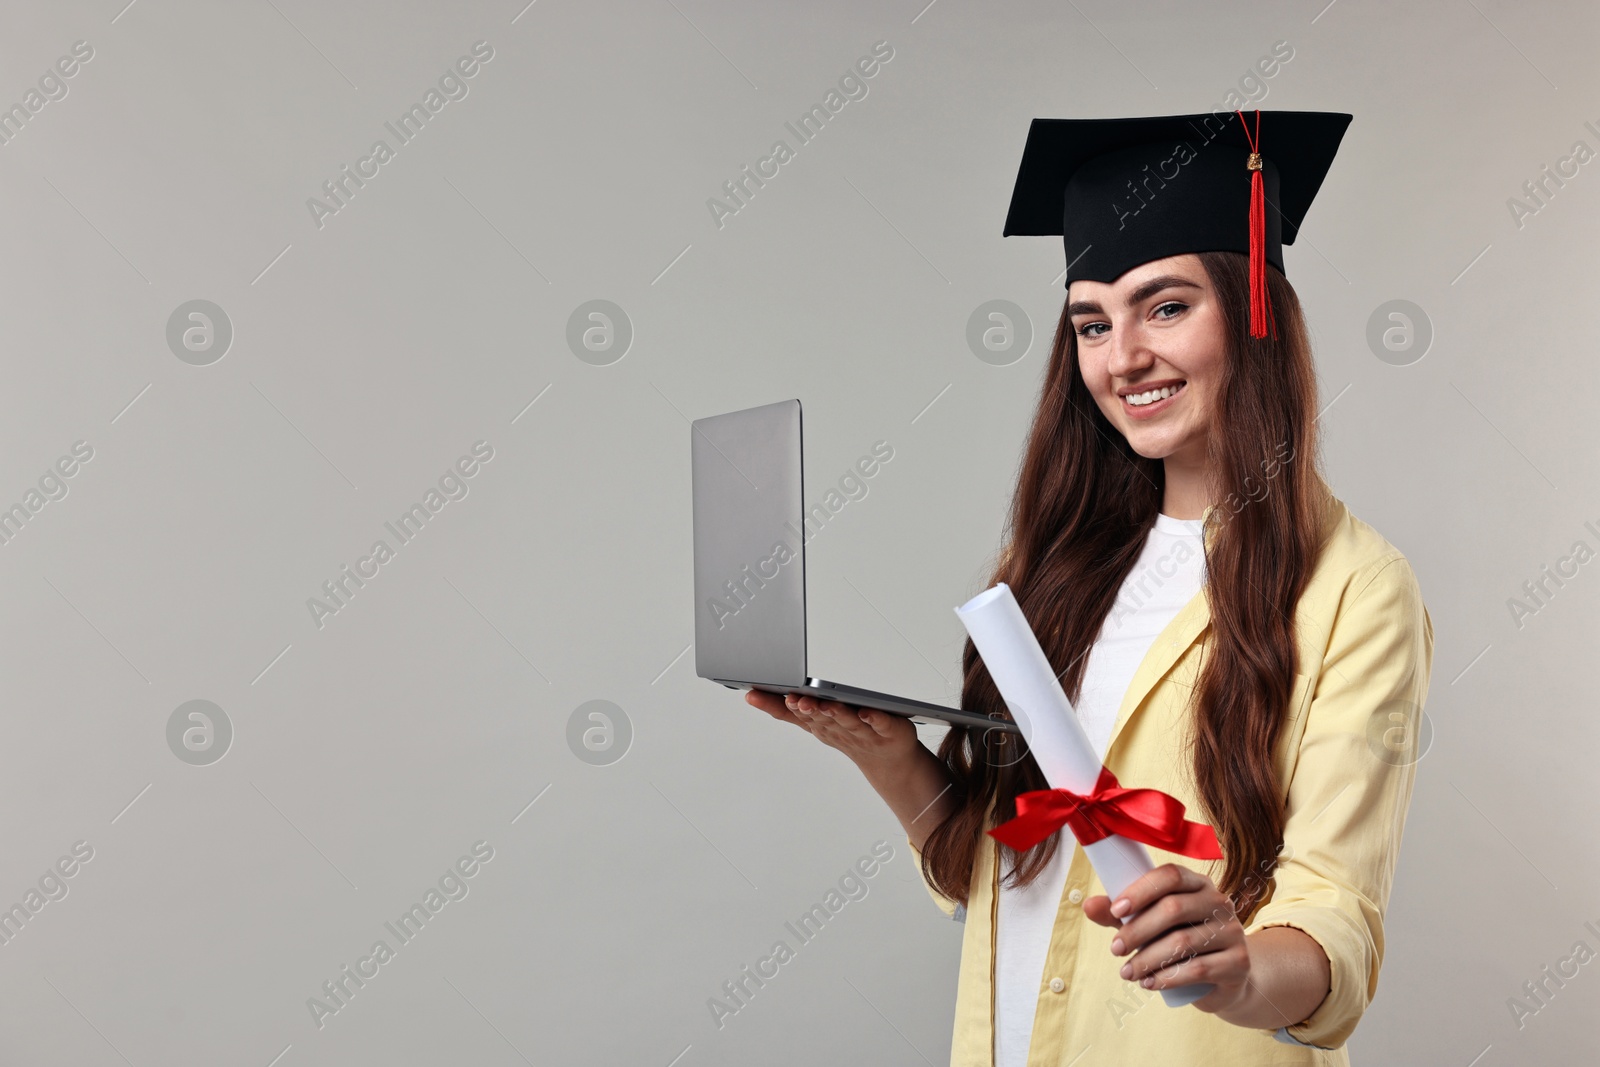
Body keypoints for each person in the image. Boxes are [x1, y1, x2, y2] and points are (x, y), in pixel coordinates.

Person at [745, 109, 1434, 1066]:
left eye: (1165, 307)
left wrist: (1236, 967)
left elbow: (1336, 920)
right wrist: (891, 758)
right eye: (1091, 323)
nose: (1122, 359)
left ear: (1253, 309)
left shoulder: (1354, 587)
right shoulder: (1060, 563)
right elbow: (1005, 875)